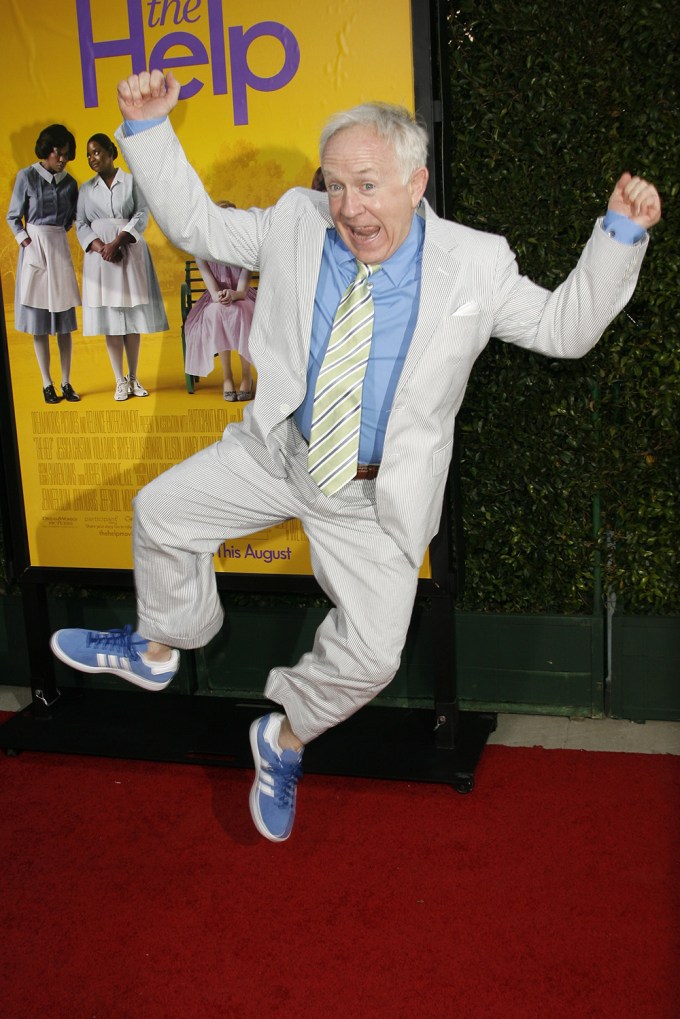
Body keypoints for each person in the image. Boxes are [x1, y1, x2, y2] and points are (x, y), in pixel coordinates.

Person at [51, 70, 662, 843]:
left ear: (417, 181)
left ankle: (284, 738)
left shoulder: (475, 263)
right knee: (161, 512)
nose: (349, 207)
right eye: (336, 184)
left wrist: (619, 236)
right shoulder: (296, 222)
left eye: (368, 185)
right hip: (284, 449)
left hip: (375, 497)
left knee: (373, 655)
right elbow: (200, 226)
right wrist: (147, 130)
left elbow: (564, 330)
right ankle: (160, 643)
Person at [76, 133, 168, 401]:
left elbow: (141, 214)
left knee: (131, 320)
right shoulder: (85, 189)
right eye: (89, 155)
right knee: (111, 321)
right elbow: (80, 223)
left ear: (111, 152)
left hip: (128, 252)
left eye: (97, 152)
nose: (93, 159)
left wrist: (118, 241)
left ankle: (134, 377)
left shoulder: (131, 182)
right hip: (100, 260)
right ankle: (119, 380)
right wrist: (100, 247)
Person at [7, 124, 81, 404]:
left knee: (63, 322)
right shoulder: (26, 177)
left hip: (58, 247)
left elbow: (72, 218)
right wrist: (28, 243)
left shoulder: (70, 183)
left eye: (65, 154)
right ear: (46, 151)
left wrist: (59, 234)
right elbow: (13, 217)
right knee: (39, 324)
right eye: (57, 153)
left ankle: (66, 382)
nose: (61, 159)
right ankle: (46, 383)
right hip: (34, 247)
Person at [184, 201, 256, 401]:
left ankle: (247, 374)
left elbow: (242, 290)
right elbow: (213, 290)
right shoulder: (202, 251)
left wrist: (233, 295)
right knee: (216, 312)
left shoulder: (246, 249)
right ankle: (227, 376)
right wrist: (220, 296)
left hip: (242, 296)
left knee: (243, 310)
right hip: (215, 299)